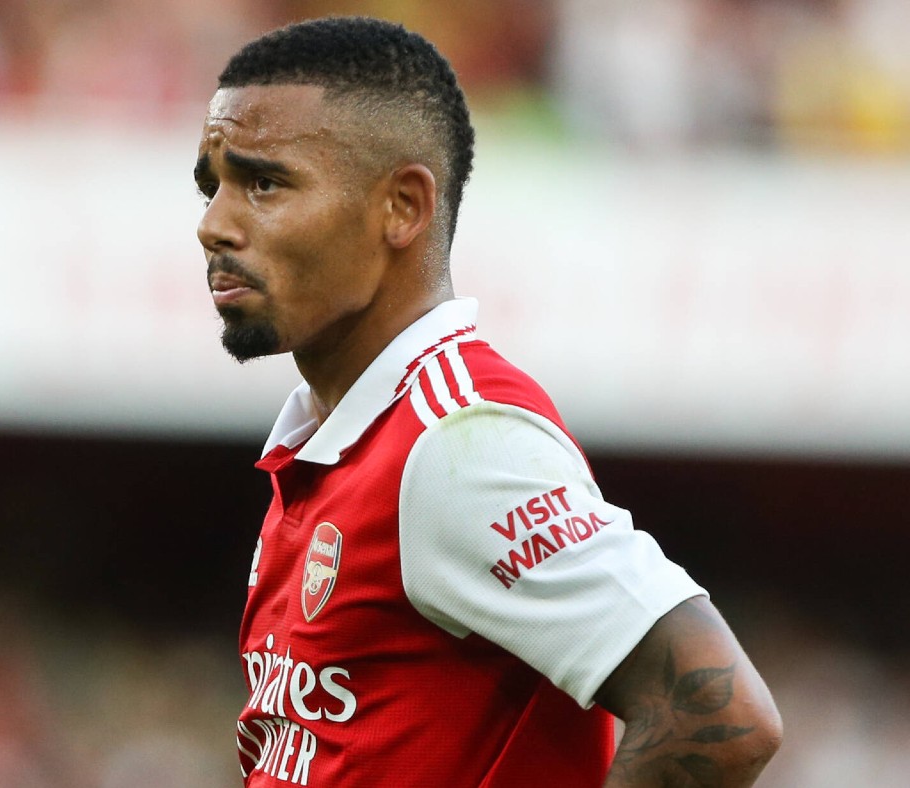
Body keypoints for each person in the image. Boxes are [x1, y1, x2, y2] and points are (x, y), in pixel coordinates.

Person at [194, 16, 782, 787]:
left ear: (402, 206)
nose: (213, 225)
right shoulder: (327, 447)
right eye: (212, 187)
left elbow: (718, 713)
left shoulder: (457, 442)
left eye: (264, 184)